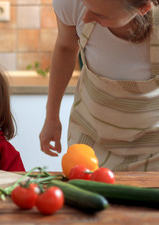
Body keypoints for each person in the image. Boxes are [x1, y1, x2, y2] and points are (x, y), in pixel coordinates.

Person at [40, 0, 159, 171]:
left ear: (143, 9)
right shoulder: (70, 2)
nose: (86, 17)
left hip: (153, 146)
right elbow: (66, 47)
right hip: (91, 138)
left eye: (100, 15)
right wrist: (51, 118)